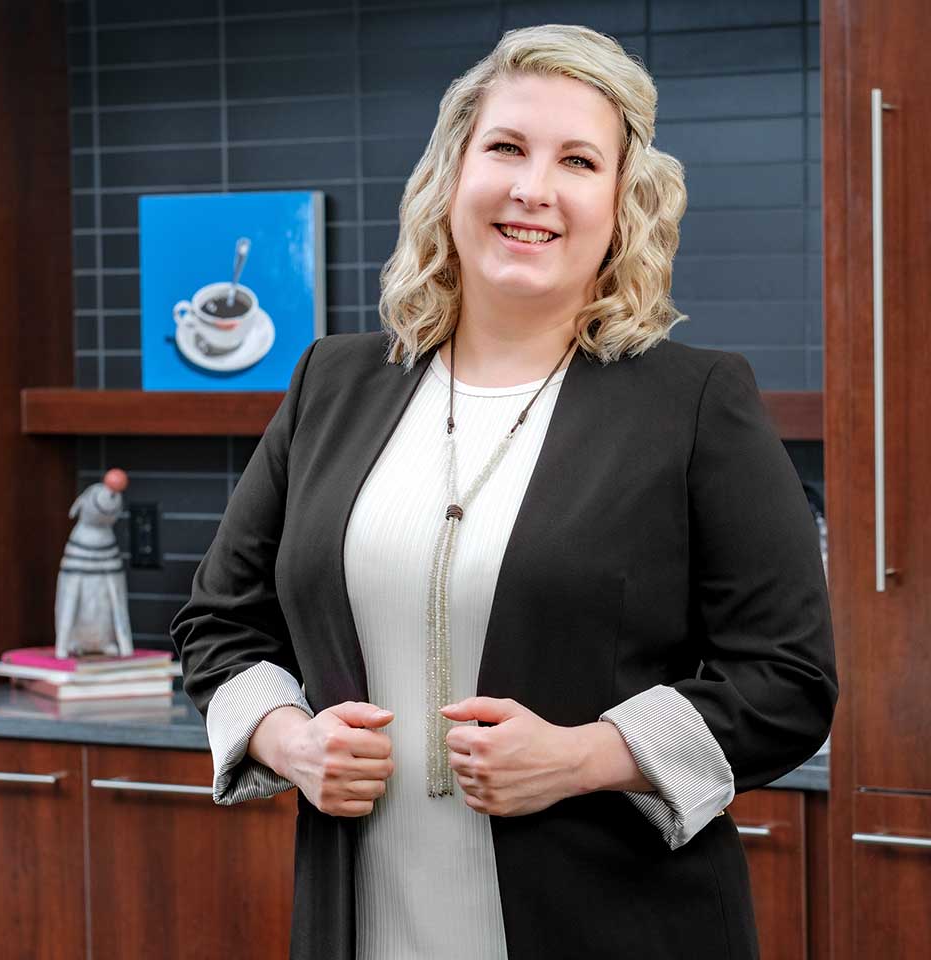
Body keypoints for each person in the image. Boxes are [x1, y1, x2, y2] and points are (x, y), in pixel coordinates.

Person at [170, 23, 837, 960]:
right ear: (452, 177)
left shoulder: (692, 401)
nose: (534, 188)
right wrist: (288, 740)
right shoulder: (334, 382)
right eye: (507, 148)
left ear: (621, 204)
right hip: (363, 928)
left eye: (578, 160)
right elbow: (216, 623)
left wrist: (582, 758)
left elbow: (789, 681)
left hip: (617, 928)